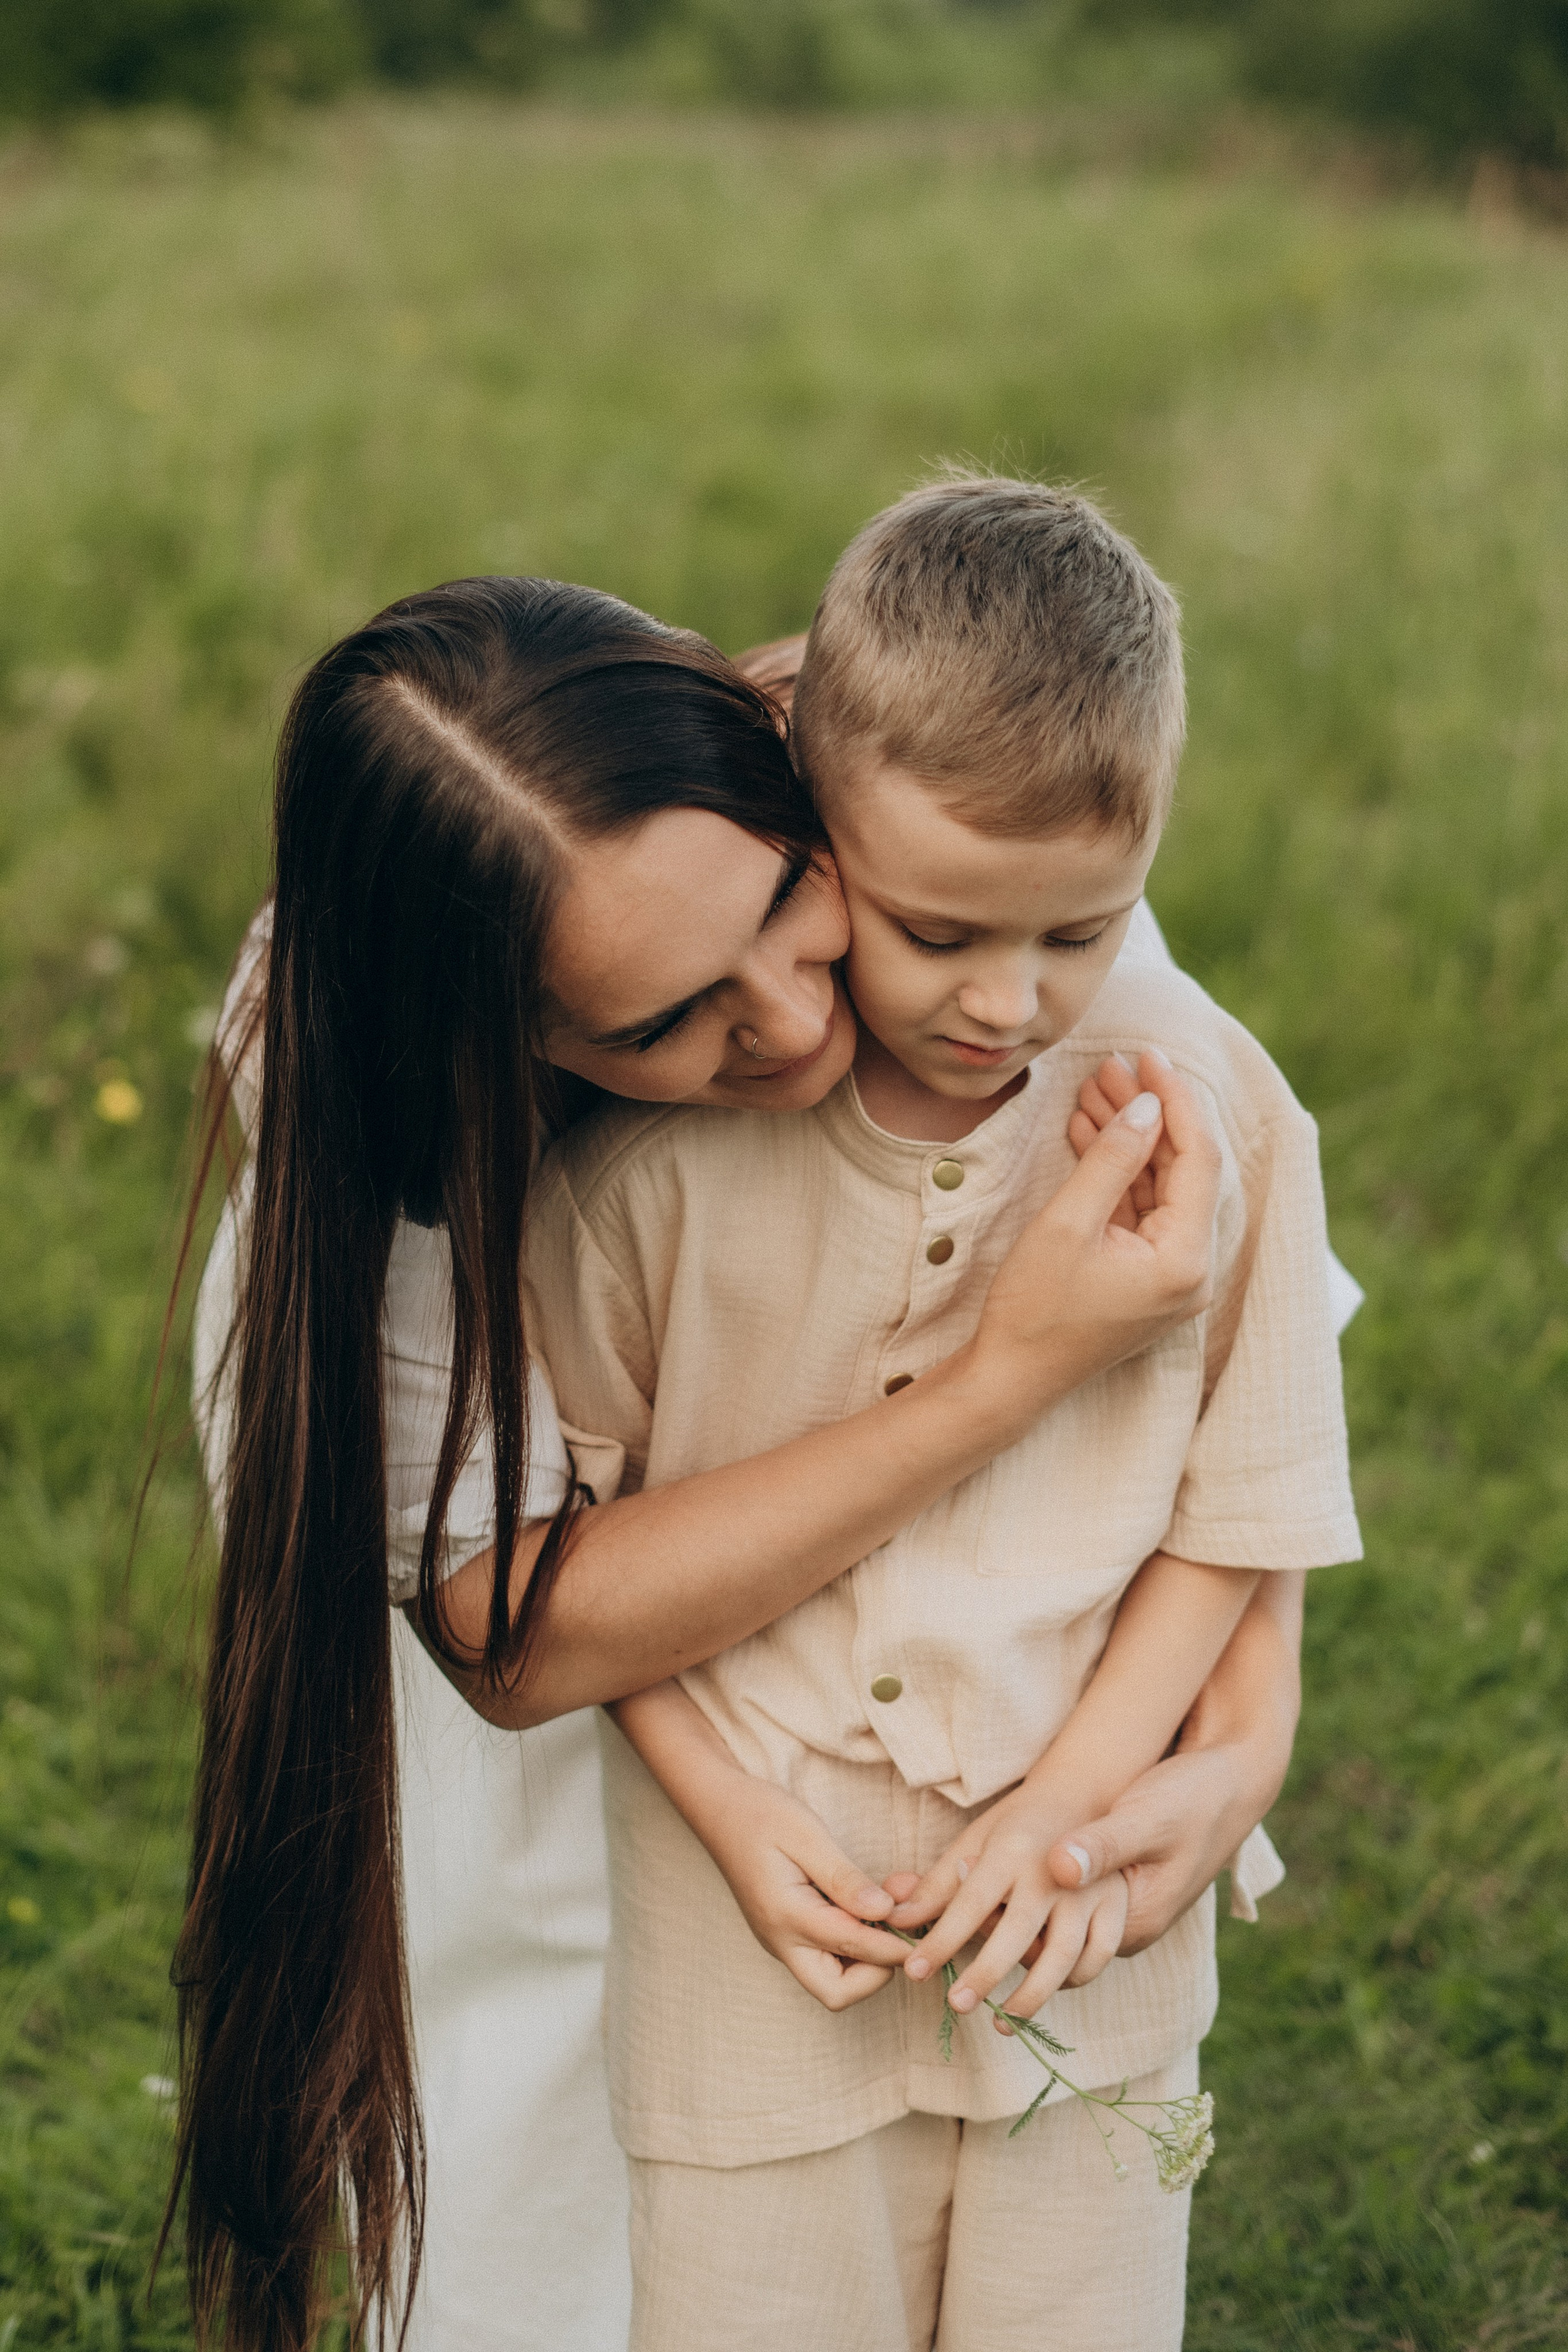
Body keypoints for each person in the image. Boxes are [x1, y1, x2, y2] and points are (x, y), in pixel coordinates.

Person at [181, 571, 1315, 2352]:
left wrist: (1244, 1735)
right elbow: (521, 1635)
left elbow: (1226, 1357)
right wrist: (999, 1379)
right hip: (548, 1522)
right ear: (514, 1042)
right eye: (661, 1024)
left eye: (796, 908)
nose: (794, 1026)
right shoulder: (389, 1130)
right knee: (565, 1987)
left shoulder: (950, 843)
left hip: (854, 1449)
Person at [522, 478, 1362, 2351]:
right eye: (938, 930)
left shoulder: (1210, 1109)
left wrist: (1073, 1807)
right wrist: (732, 1810)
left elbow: (1238, 1505)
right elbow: (575, 1568)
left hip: (1085, 1929)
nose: (1006, 1002)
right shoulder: (646, 1180)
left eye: (1082, 932)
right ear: (816, 838)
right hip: (755, 1951)